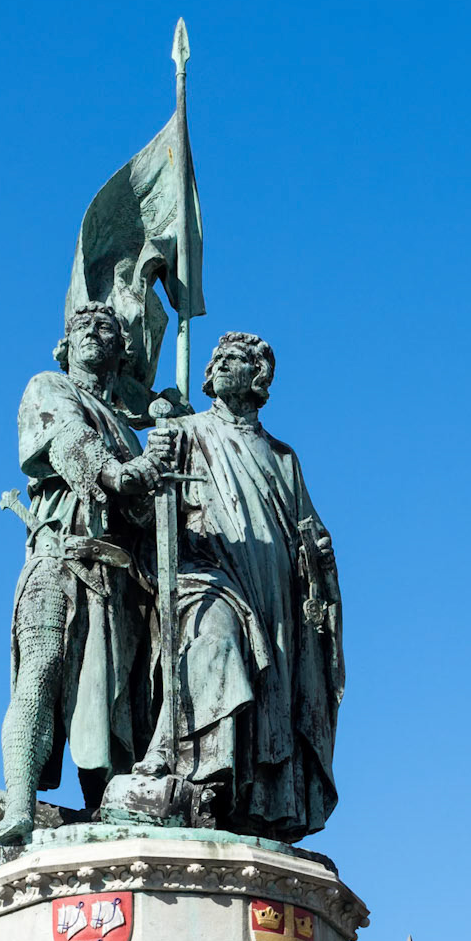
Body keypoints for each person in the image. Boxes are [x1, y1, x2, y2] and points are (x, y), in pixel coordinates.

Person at [135, 330, 342, 841]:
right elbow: (140, 511)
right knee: (217, 644)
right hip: (204, 572)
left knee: (276, 689)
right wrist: (154, 458)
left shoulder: (283, 456)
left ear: (259, 376)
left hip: (273, 592)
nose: (220, 366)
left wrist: (318, 551)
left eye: (234, 360)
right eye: (217, 359)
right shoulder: (185, 432)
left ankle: (256, 800)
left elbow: (307, 527)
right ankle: (202, 778)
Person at [0, 304, 175, 842]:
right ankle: (20, 804)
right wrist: (127, 473)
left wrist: (165, 449)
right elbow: (70, 443)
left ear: (123, 351)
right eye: (83, 327)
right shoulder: (48, 387)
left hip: (119, 576)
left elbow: (142, 513)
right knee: (43, 668)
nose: (95, 334)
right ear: (66, 343)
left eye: (107, 328)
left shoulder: (126, 427)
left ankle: (106, 806)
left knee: (115, 700)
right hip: (59, 555)